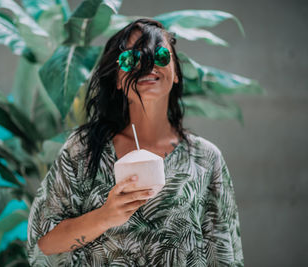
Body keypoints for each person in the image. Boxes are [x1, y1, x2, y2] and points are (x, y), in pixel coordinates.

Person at [27, 18, 244, 266]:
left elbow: (226, 256)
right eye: (131, 60)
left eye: (160, 56)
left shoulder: (205, 158)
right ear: (118, 80)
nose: (147, 66)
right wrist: (105, 216)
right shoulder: (83, 149)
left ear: (175, 73)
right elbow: (43, 243)